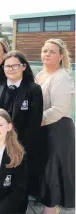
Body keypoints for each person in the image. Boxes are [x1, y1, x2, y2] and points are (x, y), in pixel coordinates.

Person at [34, 39, 75, 213]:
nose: (47, 54)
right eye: (45, 51)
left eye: (52, 51)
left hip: (58, 130)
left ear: (60, 56)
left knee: (54, 170)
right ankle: (45, 200)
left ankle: (51, 208)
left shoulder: (62, 77)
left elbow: (58, 109)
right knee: (43, 168)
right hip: (43, 129)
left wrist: (33, 122)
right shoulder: (39, 75)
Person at [0, 51, 43, 153]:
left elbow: (34, 122)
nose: (10, 69)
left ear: (24, 67)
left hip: (22, 146)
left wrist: (18, 146)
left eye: (15, 66)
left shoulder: (34, 89)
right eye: (7, 66)